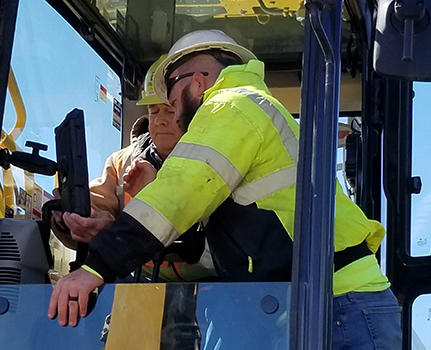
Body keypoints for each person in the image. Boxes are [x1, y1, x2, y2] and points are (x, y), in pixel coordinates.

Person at [48, 29, 401, 350]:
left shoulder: (231, 105)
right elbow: (218, 246)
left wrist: (96, 268)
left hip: (340, 307)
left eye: (172, 100)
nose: (172, 112)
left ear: (198, 82)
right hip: (330, 304)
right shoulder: (253, 110)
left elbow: (181, 190)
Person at [51, 55, 216, 283]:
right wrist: (74, 218)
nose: (160, 121)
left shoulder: (216, 159)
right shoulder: (121, 162)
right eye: (153, 111)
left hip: (211, 287)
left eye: (169, 110)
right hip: (137, 286)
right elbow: (99, 205)